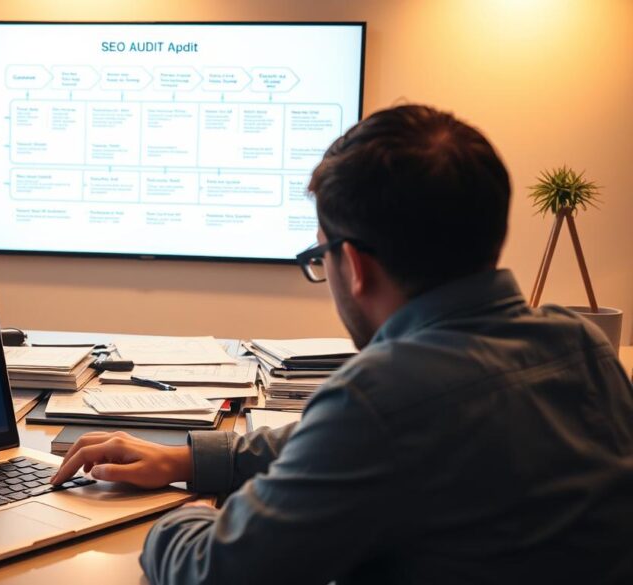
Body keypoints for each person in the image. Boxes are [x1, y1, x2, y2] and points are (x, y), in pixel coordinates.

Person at [50, 105, 633, 584]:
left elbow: (216, 572)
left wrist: (175, 518)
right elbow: (344, 444)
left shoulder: (381, 396)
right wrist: (188, 461)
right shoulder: (582, 345)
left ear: (352, 264)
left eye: (318, 256)